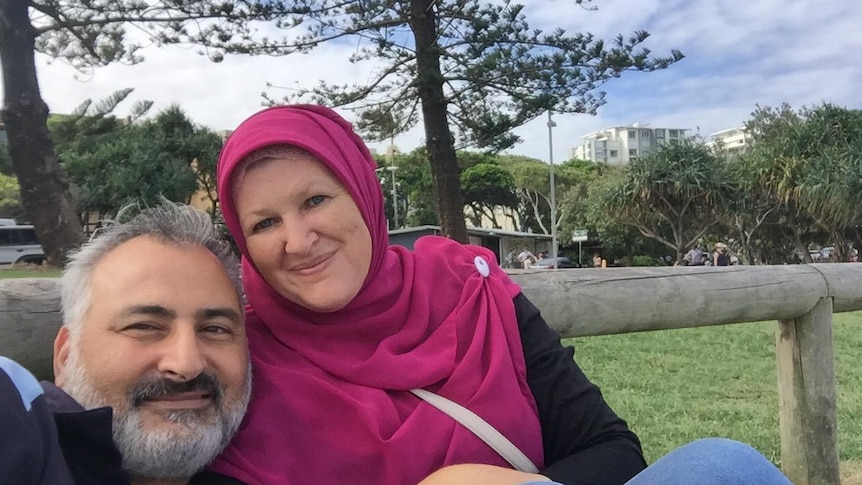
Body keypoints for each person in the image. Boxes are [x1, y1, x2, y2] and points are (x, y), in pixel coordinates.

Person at [204, 105, 792, 485]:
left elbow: (611, 449)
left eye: (315, 200)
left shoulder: (473, 292)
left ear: (362, 195)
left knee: (725, 463)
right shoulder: (237, 354)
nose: (298, 240)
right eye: (263, 223)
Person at [0, 202, 252, 485]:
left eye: (215, 329)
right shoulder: (18, 430)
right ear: (65, 356)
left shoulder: (265, 467)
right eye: (144, 326)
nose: (187, 364)